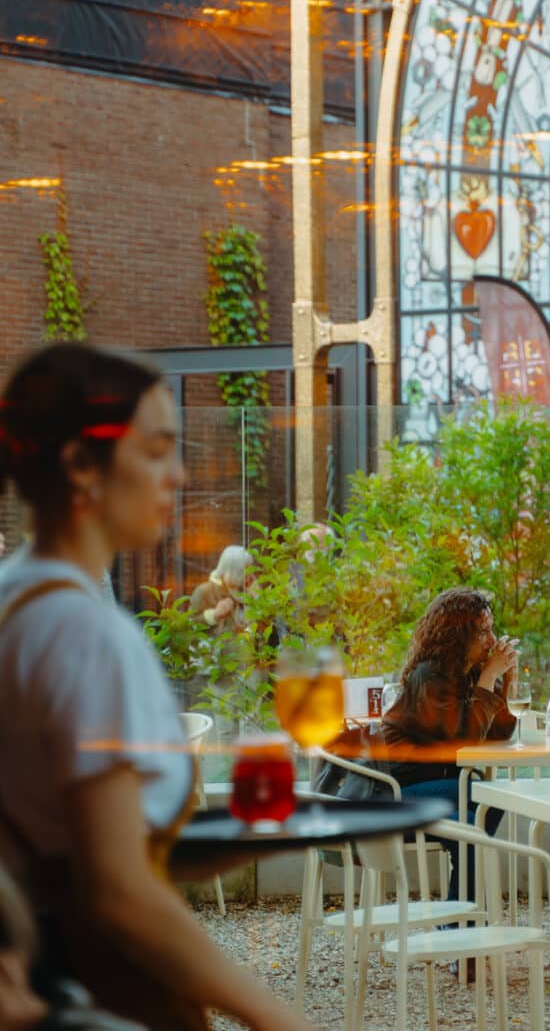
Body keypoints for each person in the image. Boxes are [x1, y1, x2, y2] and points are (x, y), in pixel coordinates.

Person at [0, 342, 316, 1031]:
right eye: (156, 450)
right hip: (105, 992)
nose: (178, 475)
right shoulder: (89, 636)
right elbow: (116, 892)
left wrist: (229, 842)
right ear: (81, 465)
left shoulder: (14, 602)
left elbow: (70, 843)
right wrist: (280, 1017)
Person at [379, 587, 519, 904]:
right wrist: (490, 676)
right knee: (480, 806)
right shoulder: (430, 677)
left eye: (491, 629)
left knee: (483, 808)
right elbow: (465, 743)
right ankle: (460, 919)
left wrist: (505, 681)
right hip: (394, 790)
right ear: (458, 636)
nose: (492, 639)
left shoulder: (465, 675)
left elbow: (497, 736)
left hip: (430, 784)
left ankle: (458, 914)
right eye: (483, 631)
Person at [188, 544, 250, 634]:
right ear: (234, 572)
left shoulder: (247, 591)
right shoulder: (205, 591)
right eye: (246, 571)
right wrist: (214, 615)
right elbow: (188, 627)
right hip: (214, 647)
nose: (250, 576)